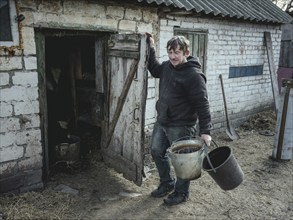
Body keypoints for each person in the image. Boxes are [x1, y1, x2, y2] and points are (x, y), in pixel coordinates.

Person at [146, 34, 213, 206]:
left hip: (182, 125)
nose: (173, 56)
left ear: (186, 52)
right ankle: (167, 183)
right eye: (170, 52)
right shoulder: (168, 66)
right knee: (156, 151)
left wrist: (206, 131)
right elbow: (154, 69)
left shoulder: (194, 75)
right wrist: (151, 47)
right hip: (163, 121)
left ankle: (181, 193)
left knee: (183, 162)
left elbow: (202, 104)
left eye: (177, 52)